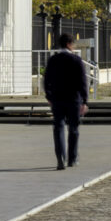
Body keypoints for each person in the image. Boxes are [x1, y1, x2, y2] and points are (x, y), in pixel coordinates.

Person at [44, 33, 89, 170]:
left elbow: (46, 80)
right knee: (73, 129)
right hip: (73, 99)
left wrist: (49, 97)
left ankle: (60, 157)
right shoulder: (76, 60)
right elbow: (82, 81)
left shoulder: (53, 60)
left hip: (57, 99)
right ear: (69, 44)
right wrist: (85, 101)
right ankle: (72, 158)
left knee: (58, 127)